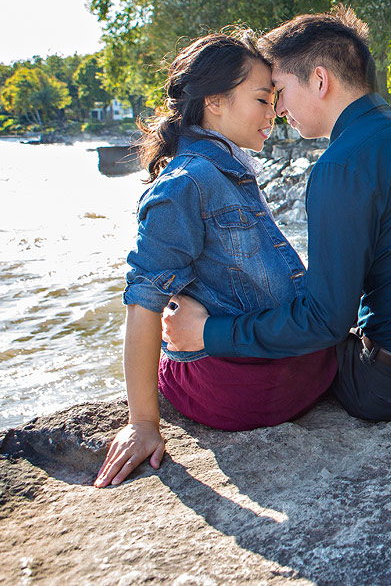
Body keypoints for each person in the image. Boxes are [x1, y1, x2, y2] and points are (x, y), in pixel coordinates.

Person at [162, 8, 391, 421]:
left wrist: (207, 332)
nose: (277, 109)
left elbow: (325, 323)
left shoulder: (339, 165)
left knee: (280, 359)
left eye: (279, 89)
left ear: (320, 80)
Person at [95, 33, 336, 488]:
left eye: (276, 98)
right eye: (264, 98)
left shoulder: (229, 168)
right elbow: (143, 303)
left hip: (273, 375)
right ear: (215, 101)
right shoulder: (185, 183)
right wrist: (144, 423)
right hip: (244, 388)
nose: (275, 112)